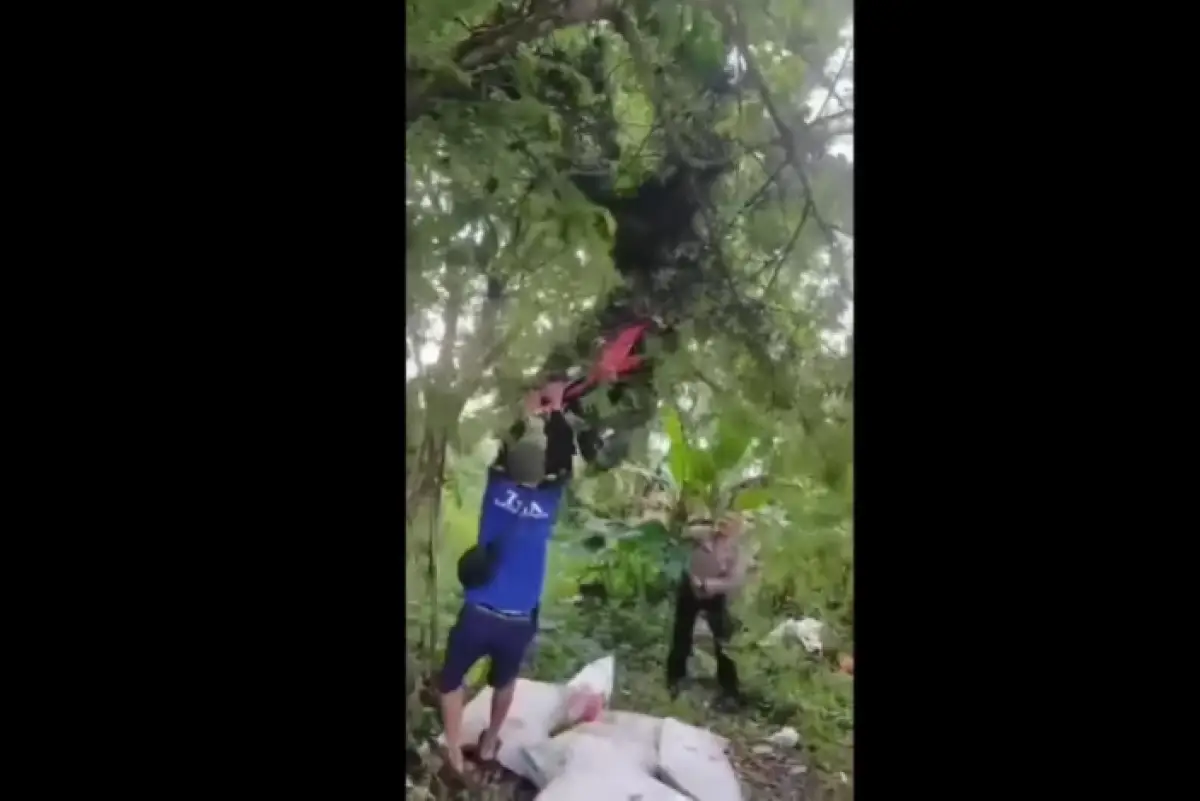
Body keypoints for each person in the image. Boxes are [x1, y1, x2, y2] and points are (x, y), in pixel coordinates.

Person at [437, 380, 576, 776]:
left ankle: (454, 753)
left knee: (450, 681)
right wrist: (557, 409)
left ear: (511, 465)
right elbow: (563, 461)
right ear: (541, 473)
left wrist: (526, 412)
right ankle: (489, 739)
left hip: (478, 612)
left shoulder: (496, 490)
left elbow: (503, 448)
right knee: (505, 681)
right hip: (518, 620)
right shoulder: (548, 501)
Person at [666, 511, 749, 710]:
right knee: (681, 636)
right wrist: (706, 529)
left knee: (723, 642)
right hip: (689, 590)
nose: (724, 527)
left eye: (729, 524)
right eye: (723, 522)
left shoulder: (737, 550)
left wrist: (706, 584)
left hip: (714, 594)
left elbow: (733, 581)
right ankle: (675, 680)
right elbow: (683, 535)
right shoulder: (703, 535)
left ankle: (730, 689)